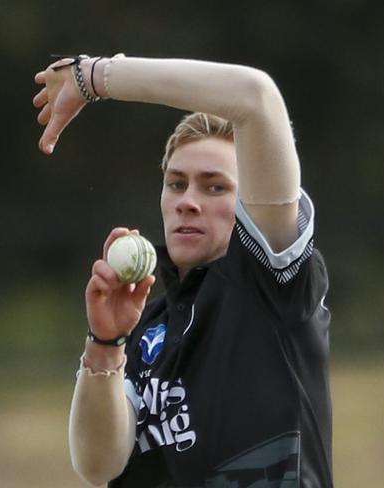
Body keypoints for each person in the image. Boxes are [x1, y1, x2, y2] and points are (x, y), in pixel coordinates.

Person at [33, 53, 332, 487]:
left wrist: (96, 77)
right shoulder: (147, 325)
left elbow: (257, 97)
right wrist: (105, 344)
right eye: (177, 183)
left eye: (215, 186)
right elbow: (98, 465)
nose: (188, 200)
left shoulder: (274, 286)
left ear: (249, 202)